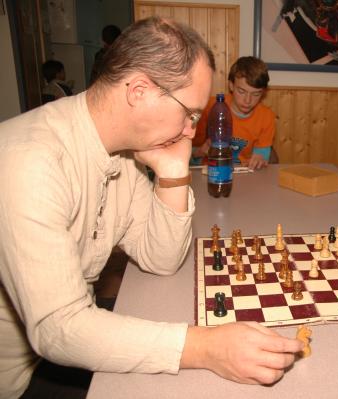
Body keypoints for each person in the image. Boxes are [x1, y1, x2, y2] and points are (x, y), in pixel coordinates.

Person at [0, 16, 302, 399]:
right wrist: (206, 348)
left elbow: (160, 258)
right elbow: (59, 329)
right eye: (190, 113)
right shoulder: (29, 161)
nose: (193, 130)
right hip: (20, 380)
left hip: (68, 356)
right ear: (140, 90)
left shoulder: (123, 153)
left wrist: (174, 169)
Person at [191, 56, 276, 170]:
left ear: (263, 93)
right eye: (242, 91)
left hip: (245, 174)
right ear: (231, 85)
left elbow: (261, 157)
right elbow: (188, 158)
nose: (247, 100)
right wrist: (199, 152)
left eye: (256, 94)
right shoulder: (210, 107)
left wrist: (259, 160)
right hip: (210, 173)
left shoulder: (266, 117)